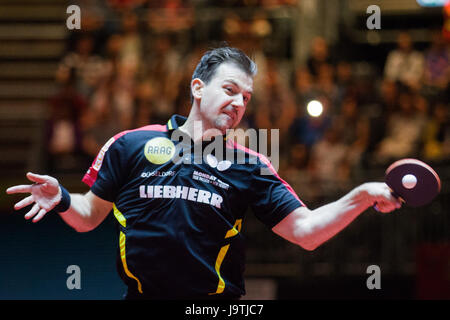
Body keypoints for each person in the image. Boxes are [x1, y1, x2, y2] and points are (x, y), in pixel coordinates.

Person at [6, 46, 402, 300]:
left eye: (245, 97)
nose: (238, 103)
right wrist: (62, 199)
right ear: (198, 87)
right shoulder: (130, 144)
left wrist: (362, 195)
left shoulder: (251, 163)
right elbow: (88, 217)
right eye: (230, 90)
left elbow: (307, 232)